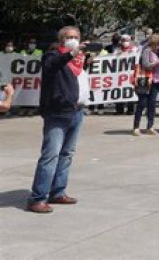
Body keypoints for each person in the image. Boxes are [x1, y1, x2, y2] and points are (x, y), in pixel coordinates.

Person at [26, 26, 85, 214]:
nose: (73, 39)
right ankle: (37, 198)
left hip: (76, 111)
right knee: (50, 155)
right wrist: (70, 54)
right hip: (58, 113)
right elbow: (53, 65)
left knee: (67, 154)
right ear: (61, 40)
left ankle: (58, 192)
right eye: (69, 37)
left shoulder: (79, 61)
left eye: (75, 37)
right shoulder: (52, 56)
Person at [133, 34, 159, 136]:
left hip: (156, 80)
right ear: (156, 42)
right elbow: (146, 65)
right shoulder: (147, 51)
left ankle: (150, 126)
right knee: (142, 103)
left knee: (152, 104)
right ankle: (136, 127)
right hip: (146, 79)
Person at [115, 35, 139, 115]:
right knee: (119, 92)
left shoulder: (134, 49)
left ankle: (130, 109)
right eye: (123, 40)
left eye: (127, 40)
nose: (125, 42)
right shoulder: (117, 50)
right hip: (119, 75)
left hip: (131, 74)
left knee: (130, 91)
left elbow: (137, 61)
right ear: (121, 41)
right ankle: (119, 109)